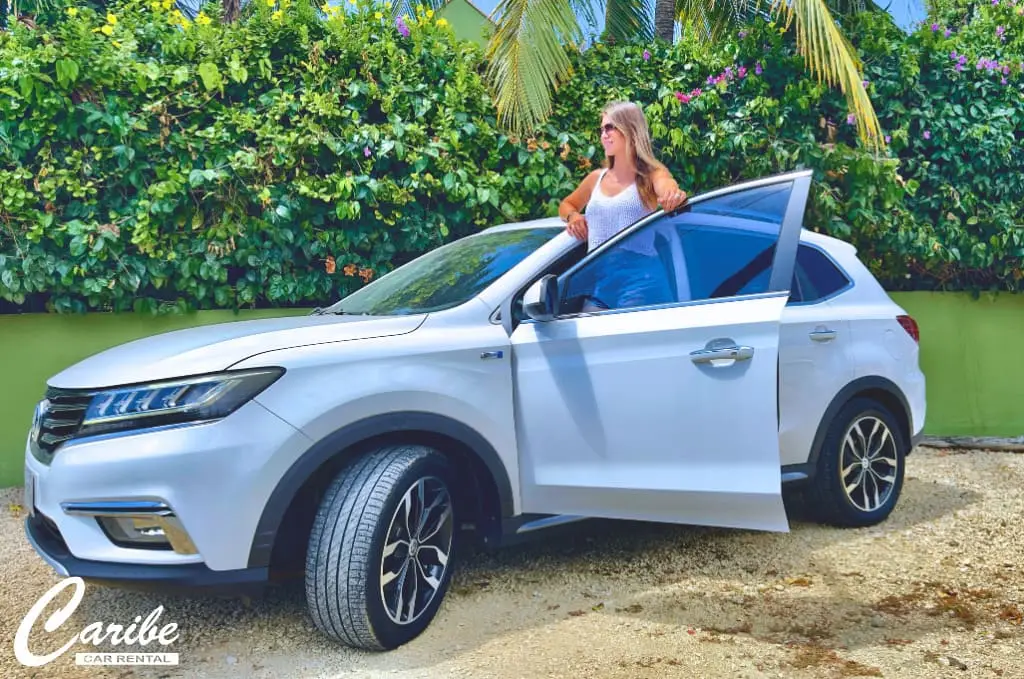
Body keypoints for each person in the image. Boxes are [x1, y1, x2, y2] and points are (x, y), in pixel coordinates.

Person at [556, 100, 689, 311]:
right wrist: (573, 217)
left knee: (614, 340)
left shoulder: (651, 175)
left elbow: (668, 187)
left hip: (641, 279)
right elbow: (567, 204)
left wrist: (673, 195)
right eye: (601, 129)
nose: (604, 134)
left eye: (610, 127)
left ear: (630, 129)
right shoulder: (595, 178)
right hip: (601, 279)